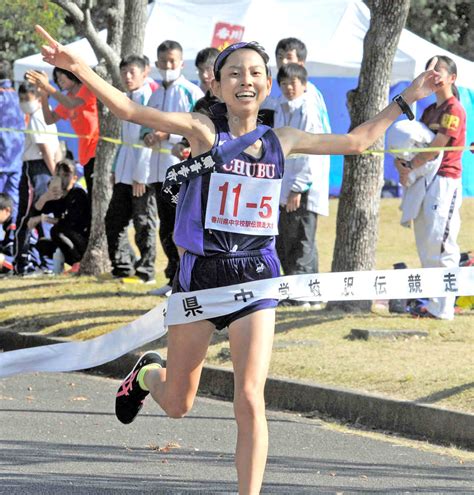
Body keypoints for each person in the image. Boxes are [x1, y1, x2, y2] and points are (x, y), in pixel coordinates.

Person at [36, 25, 442, 494]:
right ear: (217, 84)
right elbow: (127, 109)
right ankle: (148, 374)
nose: (245, 80)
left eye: (254, 73)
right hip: (202, 278)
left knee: (250, 396)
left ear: (266, 84)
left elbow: (357, 142)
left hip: (258, 279)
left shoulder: (282, 139)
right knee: (179, 404)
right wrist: (78, 67)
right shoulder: (203, 131)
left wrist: (408, 96)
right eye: (234, 73)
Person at [394, 55, 466, 320]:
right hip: (423, 181)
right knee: (426, 243)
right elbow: (413, 145)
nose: (433, 76)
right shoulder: (428, 111)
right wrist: (402, 164)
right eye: (430, 72)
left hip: (445, 181)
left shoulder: (454, 109)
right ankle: (433, 302)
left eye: (439, 72)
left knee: (442, 243)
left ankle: (444, 306)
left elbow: (437, 146)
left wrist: (410, 165)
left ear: (451, 78)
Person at [140, 40, 203, 296]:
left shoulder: (191, 92)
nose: (167, 66)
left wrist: (169, 137)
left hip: (181, 171)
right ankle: (172, 277)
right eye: (163, 62)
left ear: (181, 64)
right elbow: (144, 122)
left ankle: (188, 280)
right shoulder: (154, 93)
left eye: (172, 62)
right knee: (165, 227)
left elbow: (198, 129)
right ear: (156, 64)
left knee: (182, 227)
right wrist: (147, 135)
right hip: (157, 171)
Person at [274, 64, 328, 306]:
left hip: (303, 186)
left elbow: (311, 151)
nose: (288, 87)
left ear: (304, 84)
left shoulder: (308, 109)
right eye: (284, 83)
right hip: (285, 186)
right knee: (286, 239)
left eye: (293, 83)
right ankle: (301, 292)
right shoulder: (281, 107)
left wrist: (298, 187)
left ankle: (302, 295)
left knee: (301, 240)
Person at [106, 55, 157, 283]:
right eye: (124, 72)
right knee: (114, 220)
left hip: (142, 175)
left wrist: (141, 176)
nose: (127, 77)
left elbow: (148, 142)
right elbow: (125, 141)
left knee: (143, 223)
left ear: (144, 72)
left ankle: (146, 272)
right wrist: (116, 169)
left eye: (132, 72)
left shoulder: (149, 98)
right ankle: (123, 267)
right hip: (124, 172)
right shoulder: (125, 98)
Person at [25, 67, 99, 200]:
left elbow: (71, 104)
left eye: (61, 76)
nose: (59, 81)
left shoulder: (86, 89)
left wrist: (47, 86)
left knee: (98, 196)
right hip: (85, 154)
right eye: (57, 78)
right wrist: (43, 95)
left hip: (97, 150)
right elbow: (49, 119)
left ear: (71, 74)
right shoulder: (67, 97)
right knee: (92, 198)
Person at [14, 81, 61, 275]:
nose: (25, 103)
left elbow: (49, 149)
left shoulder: (41, 116)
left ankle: (44, 261)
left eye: (28, 98)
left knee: (38, 214)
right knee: (29, 214)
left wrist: (55, 174)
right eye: (22, 99)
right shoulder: (36, 118)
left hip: (42, 168)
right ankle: (22, 262)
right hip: (35, 168)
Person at [27, 159, 90, 272]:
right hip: (68, 240)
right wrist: (46, 196)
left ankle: (78, 263)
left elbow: (70, 223)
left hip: (83, 240)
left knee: (57, 231)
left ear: (74, 178)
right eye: (58, 174)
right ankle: (57, 268)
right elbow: (35, 213)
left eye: (66, 175)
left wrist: (43, 219)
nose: (61, 178)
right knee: (42, 244)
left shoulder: (78, 194)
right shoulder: (56, 195)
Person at [0, 60, 25, 225]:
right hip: (17, 159)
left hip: (1, 159)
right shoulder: (19, 97)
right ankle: (11, 234)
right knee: (13, 199)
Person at [0, 192, 16, 274]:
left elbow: (13, 253)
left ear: (7, 210)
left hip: (24, 263)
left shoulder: (14, 225)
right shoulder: (7, 224)